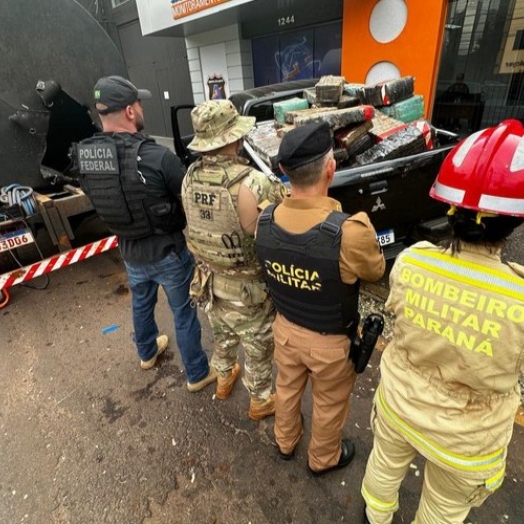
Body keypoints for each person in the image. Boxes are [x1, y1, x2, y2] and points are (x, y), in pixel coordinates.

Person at [361, 119, 524, 524]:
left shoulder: (413, 260)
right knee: (443, 511)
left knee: (383, 470)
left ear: (449, 208)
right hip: (466, 442)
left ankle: (375, 519)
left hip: (400, 406)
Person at [256, 122, 386, 475]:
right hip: (330, 343)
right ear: (331, 168)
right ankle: (322, 458)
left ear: (283, 171)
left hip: (284, 330)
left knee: (285, 389)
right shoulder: (349, 231)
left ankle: (285, 442)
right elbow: (374, 272)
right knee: (328, 405)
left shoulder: (264, 219)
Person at [75, 75, 216, 392]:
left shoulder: (88, 158)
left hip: (129, 251)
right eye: (138, 104)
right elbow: (189, 200)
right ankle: (196, 374)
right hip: (169, 252)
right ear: (128, 111)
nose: (141, 109)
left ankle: (147, 353)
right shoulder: (158, 157)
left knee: (141, 303)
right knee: (184, 314)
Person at [181, 99, 288, 420]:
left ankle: (224, 378)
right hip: (249, 288)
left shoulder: (189, 177)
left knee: (222, 333)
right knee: (258, 344)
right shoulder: (253, 183)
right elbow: (283, 227)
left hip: (210, 280)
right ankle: (261, 399)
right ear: (235, 138)